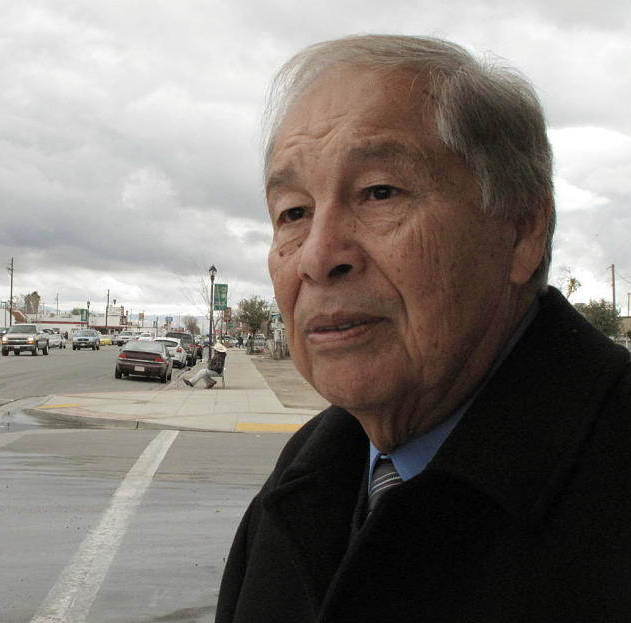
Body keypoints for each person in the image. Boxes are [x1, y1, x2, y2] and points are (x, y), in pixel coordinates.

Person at [216, 35, 631, 622]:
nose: (317, 256)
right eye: (294, 212)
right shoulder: (303, 476)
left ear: (521, 230)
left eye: (379, 192)